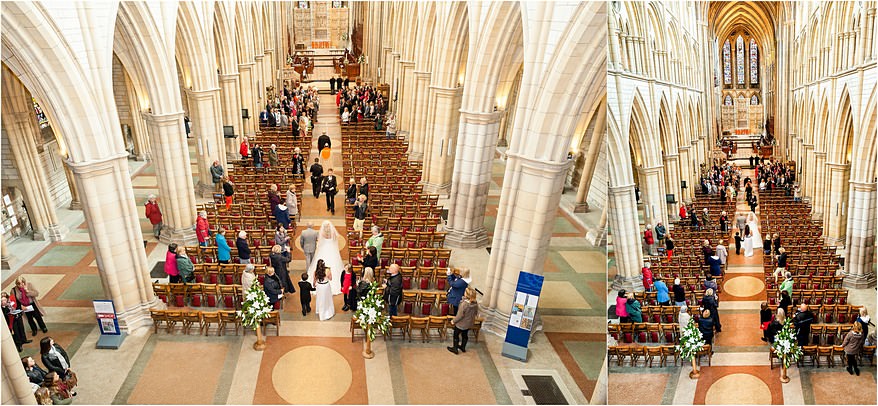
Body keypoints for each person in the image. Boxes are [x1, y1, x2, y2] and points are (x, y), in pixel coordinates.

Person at [306, 221, 345, 294]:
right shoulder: (333, 233)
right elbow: (336, 239)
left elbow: (320, 242)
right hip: (332, 249)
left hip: (323, 249)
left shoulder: (322, 233)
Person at [447, 287, 479, 355]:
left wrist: (453, 321)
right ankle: (463, 347)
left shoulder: (464, 304)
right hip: (469, 323)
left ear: (466, 295)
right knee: (465, 335)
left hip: (461, 323)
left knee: (456, 335)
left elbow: (460, 315)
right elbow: (475, 313)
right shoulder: (475, 303)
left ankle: (455, 349)